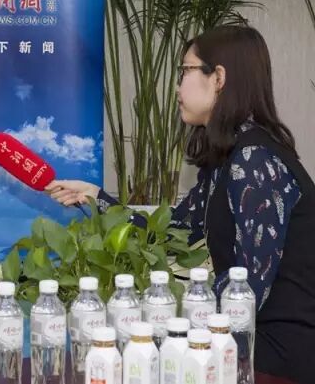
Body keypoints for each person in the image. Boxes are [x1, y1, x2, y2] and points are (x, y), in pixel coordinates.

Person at [46, 25, 315, 382]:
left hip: (278, 353)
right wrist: (96, 197)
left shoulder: (254, 159)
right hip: (244, 342)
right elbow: (171, 231)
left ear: (218, 78)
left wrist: (182, 319)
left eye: (185, 71)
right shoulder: (230, 156)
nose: (177, 86)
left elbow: (248, 290)